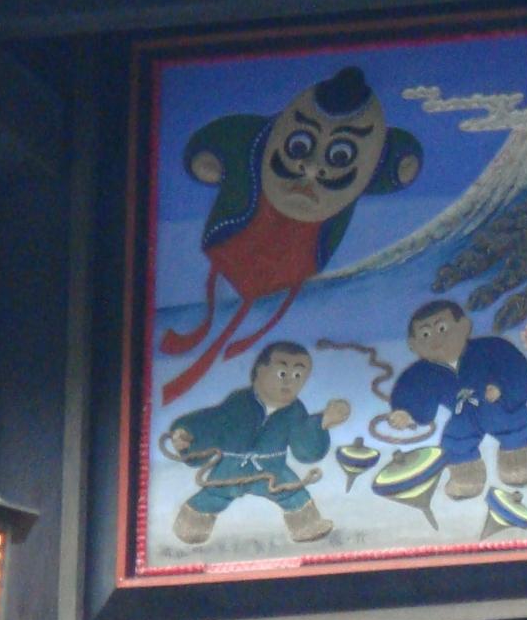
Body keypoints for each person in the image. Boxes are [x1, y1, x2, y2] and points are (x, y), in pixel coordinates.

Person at [159, 66, 423, 405]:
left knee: (252, 318)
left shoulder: (374, 151)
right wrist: (206, 157)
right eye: (301, 146)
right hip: (234, 243)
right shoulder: (259, 138)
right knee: (225, 311)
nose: (311, 167)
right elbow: (222, 138)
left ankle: (215, 361)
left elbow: (396, 158)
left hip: (297, 261)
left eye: (339, 155)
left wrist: (404, 162)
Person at [167, 341, 351, 545]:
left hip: (273, 469)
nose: (289, 381)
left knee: (293, 493)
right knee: (213, 494)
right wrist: (187, 435)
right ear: (259, 371)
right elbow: (211, 421)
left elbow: (304, 448)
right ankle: (191, 525)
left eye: (298, 376)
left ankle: (306, 526)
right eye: (282, 373)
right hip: (231, 467)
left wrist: (322, 423)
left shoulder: (295, 411)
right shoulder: (238, 402)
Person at [388, 301, 527, 499]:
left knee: (515, 427)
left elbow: (515, 368)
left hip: (498, 406)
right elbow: (411, 390)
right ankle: (468, 480)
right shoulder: (423, 372)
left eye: (442, 328)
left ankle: (516, 465)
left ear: (464, 326)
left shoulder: (490, 348)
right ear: (413, 345)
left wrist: (501, 387)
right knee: (454, 442)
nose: (436, 339)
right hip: (462, 414)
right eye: (425, 334)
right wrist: (405, 412)